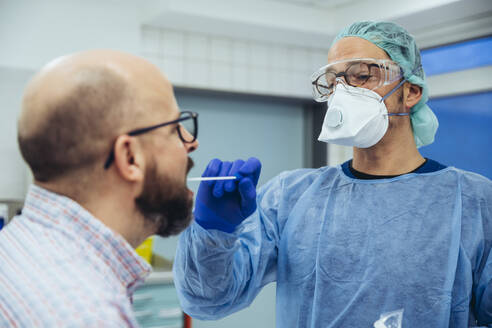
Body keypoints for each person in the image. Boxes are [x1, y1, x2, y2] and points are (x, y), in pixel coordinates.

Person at [173, 21, 492, 327]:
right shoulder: (291, 198)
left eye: (362, 75)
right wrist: (214, 232)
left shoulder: (473, 202)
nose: (342, 92)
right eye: (332, 81)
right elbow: (208, 299)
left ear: (410, 92)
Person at [0, 50, 200, 327]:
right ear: (130, 157)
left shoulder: (13, 247)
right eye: (174, 127)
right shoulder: (90, 316)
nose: (191, 142)